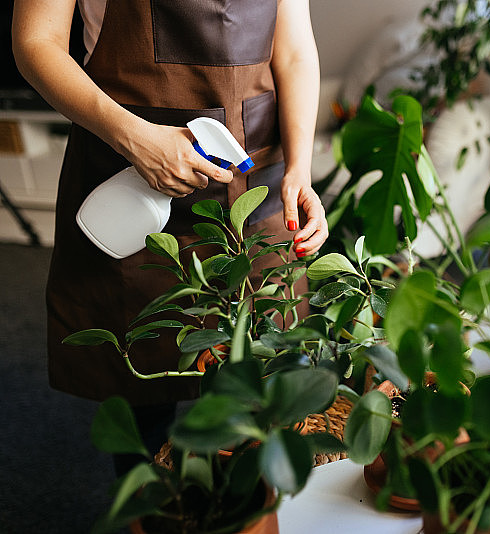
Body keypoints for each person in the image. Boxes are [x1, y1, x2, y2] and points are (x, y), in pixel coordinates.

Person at [12, 0, 327, 473]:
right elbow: (35, 42)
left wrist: (300, 169)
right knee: (143, 406)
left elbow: (295, 50)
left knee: (258, 396)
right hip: (128, 169)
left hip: (255, 180)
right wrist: (135, 139)